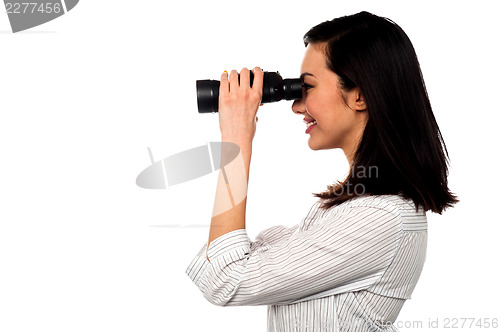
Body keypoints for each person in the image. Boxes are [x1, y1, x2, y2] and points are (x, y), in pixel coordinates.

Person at [185, 11, 458, 331]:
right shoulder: (347, 208)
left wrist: (236, 138)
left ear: (360, 95)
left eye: (307, 87)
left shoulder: (380, 216)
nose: (297, 106)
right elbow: (217, 265)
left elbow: (226, 278)